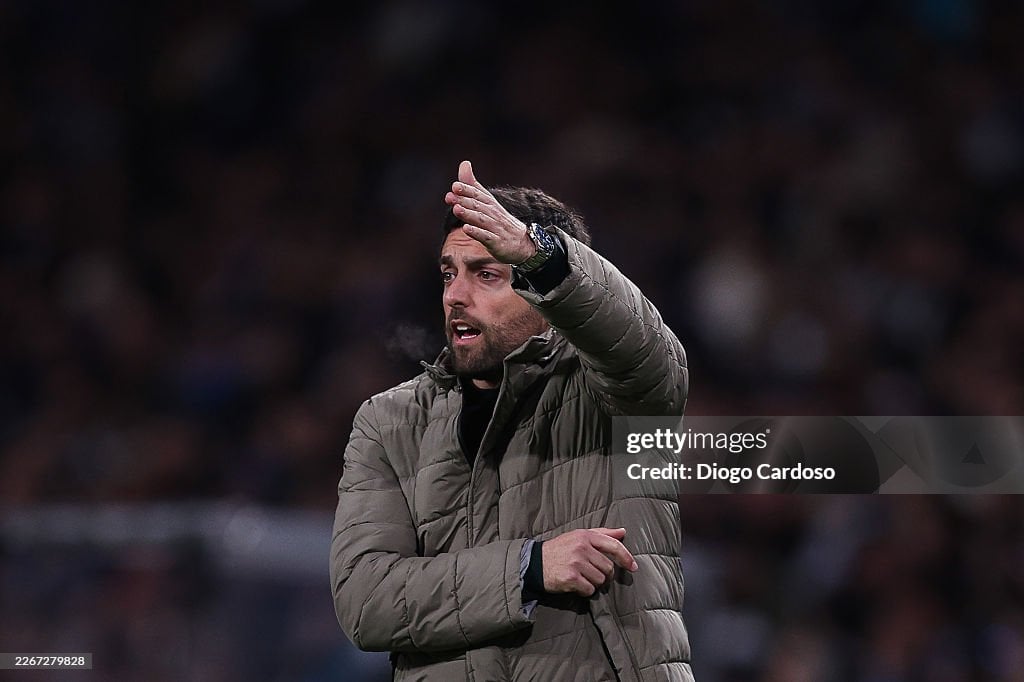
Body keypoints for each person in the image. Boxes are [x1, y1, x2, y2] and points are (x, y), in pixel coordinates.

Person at [330, 160, 693, 681]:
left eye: (487, 274)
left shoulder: (609, 392)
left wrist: (542, 256)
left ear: (548, 295)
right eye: (449, 273)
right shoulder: (387, 422)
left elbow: (647, 353)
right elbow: (367, 602)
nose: (456, 295)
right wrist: (531, 567)